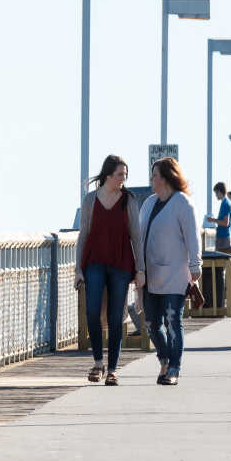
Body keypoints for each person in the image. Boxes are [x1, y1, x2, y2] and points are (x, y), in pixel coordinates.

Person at [74, 154, 144, 386]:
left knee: (116, 317)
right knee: (92, 311)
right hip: (94, 262)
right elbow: (83, 235)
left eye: (125, 175)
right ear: (107, 175)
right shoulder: (90, 200)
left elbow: (136, 236)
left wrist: (140, 269)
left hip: (121, 264)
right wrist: (78, 269)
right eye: (119, 175)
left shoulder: (129, 200)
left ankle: (112, 369)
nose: (123, 179)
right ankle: (97, 362)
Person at [140, 158, 202, 386]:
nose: (151, 180)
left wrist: (196, 266)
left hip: (176, 273)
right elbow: (139, 236)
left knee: (173, 321)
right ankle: (164, 358)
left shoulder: (183, 203)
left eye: (154, 175)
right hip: (150, 274)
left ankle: (174, 367)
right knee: (151, 323)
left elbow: (193, 237)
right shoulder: (148, 203)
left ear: (166, 178)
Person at [206, 182, 231, 248]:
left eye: (216, 193)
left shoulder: (225, 204)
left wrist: (212, 220)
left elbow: (225, 223)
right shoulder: (226, 202)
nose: (216, 195)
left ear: (220, 192)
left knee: (221, 257)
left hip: (223, 238)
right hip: (224, 236)